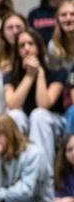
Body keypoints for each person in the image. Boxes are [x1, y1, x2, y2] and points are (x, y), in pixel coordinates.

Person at [4, 27, 65, 166]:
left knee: (39, 115)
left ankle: (43, 173)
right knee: (14, 116)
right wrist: (29, 76)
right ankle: (17, 171)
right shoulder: (10, 75)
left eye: (31, 44)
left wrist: (40, 74)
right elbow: (13, 104)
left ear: (39, 46)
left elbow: (44, 105)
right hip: (26, 119)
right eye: (22, 45)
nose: (27, 49)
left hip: (52, 121)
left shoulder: (57, 72)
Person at [48, 0, 74, 133]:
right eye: (63, 15)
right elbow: (55, 78)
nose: (68, 18)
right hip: (61, 95)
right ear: (57, 19)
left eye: (72, 14)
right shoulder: (53, 47)